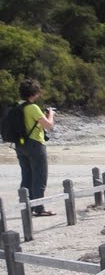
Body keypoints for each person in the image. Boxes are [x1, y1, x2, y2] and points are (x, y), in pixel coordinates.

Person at [12, 78, 56, 216]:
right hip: (35, 144)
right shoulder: (33, 108)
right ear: (35, 93)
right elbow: (49, 125)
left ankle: (26, 207)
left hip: (20, 145)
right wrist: (51, 115)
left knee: (26, 176)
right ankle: (39, 208)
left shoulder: (17, 106)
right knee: (39, 176)